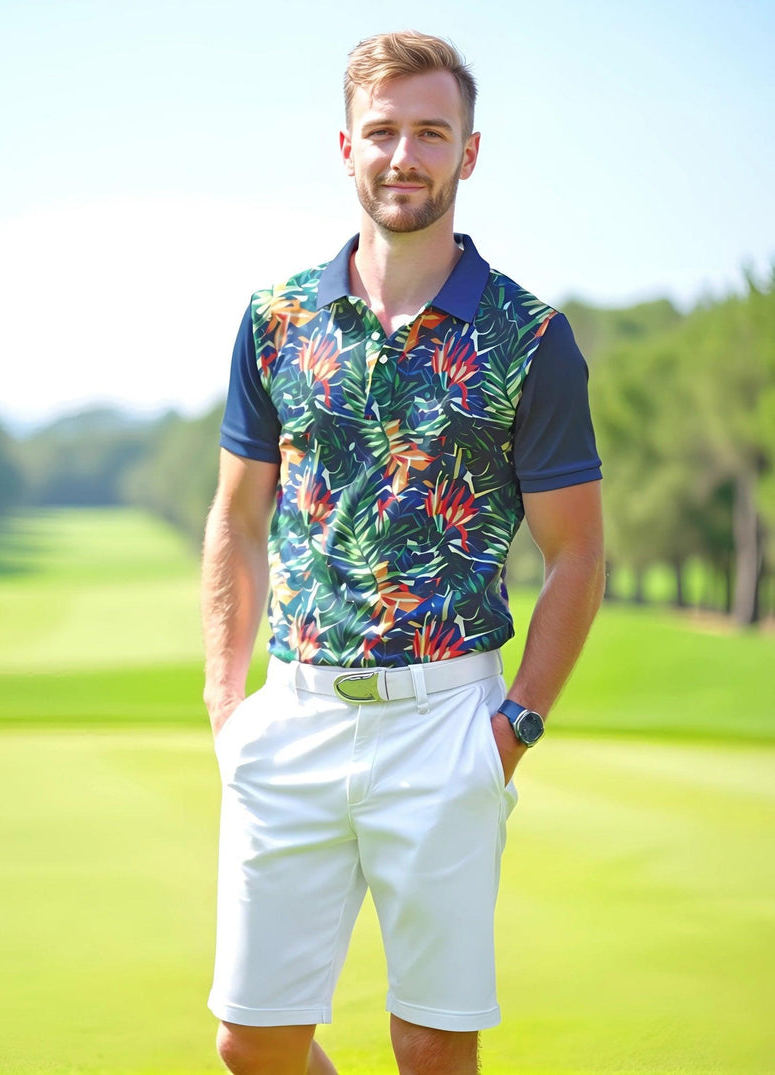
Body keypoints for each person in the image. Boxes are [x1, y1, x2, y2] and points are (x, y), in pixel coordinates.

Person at [201, 29, 604, 1075]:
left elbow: (576, 554)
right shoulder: (274, 320)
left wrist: (511, 726)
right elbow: (237, 519)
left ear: (469, 153)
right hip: (288, 716)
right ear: (345, 146)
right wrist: (225, 708)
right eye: (382, 132)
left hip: (447, 724)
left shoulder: (529, 338)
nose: (403, 156)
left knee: (428, 1048)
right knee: (252, 1043)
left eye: (430, 132)